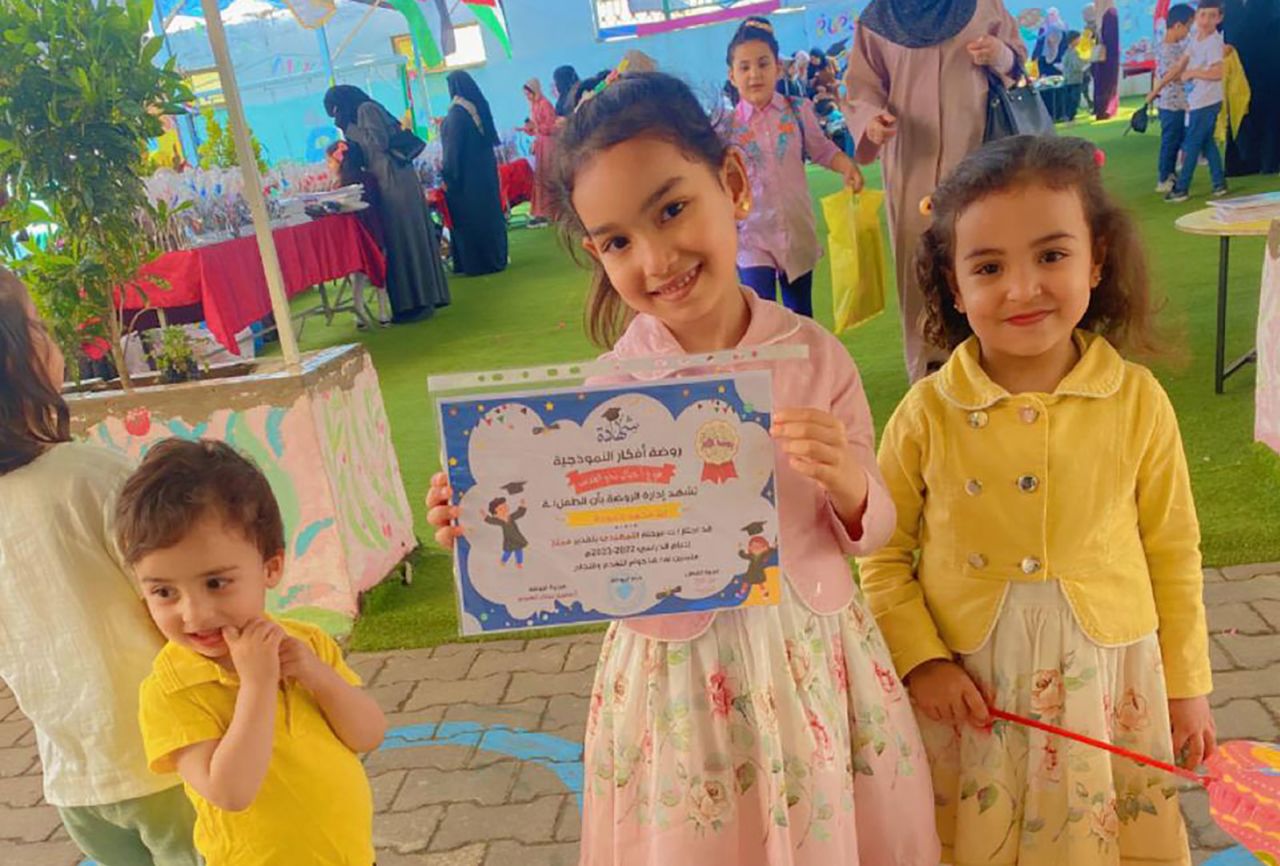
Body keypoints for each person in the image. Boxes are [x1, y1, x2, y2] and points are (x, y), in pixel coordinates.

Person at [427, 71, 938, 866]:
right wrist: (480, 517)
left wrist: (845, 481)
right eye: (619, 242)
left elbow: (875, 526)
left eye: (671, 209)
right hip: (679, 676)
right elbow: (563, 548)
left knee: (824, 825)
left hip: (807, 654)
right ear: (597, 253)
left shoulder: (812, 354)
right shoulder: (605, 394)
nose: (657, 257)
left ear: (732, 183)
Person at [861, 135, 1214, 866]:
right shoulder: (927, 413)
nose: (1022, 289)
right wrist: (922, 661)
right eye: (989, 267)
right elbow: (882, 553)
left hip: (1109, 686)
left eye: (1051, 255)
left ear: (1097, 258)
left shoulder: (1137, 401)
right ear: (954, 287)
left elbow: (1173, 552)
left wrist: (1188, 690)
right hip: (972, 693)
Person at [0, 268, 199, 866]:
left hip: (74, 779)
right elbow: (178, 605)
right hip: (170, 760)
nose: (49, 334)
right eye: (36, 324)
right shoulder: (92, 477)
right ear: (16, 362)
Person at [120, 438, 387, 866]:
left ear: (270, 568)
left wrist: (316, 674)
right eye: (164, 592)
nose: (195, 614)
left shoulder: (306, 642)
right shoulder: (171, 690)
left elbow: (368, 734)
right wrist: (258, 683)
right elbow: (230, 792)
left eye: (216, 582)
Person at [844, 0, 1025, 381]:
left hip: (977, 158)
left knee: (984, 257)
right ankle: (929, 374)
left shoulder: (982, 5)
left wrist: (1000, 55)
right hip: (911, 164)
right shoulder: (878, 20)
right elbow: (861, 89)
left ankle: (994, 357)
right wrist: (871, 121)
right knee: (918, 266)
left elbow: (1018, 62)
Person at [724, 17, 864, 318]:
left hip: (796, 233)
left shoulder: (798, 111)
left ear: (777, 66)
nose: (754, 75)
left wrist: (847, 167)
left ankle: (806, 366)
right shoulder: (725, 128)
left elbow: (823, 150)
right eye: (744, 67)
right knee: (760, 319)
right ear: (732, 76)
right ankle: (771, 367)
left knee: (801, 316)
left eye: (763, 64)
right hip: (751, 237)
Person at [324, 84, 450, 322]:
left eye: (336, 111)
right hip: (392, 179)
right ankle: (426, 296)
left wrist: (350, 129)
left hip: (393, 181)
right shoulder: (367, 109)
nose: (337, 118)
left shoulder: (365, 110)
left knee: (404, 240)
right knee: (409, 238)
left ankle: (416, 303)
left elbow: (378, 143)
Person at [441, 71, 509, 275]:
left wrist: (448, 177)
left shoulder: (456, 114)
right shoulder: (477, 108)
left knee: (470, 220)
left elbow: (453, 151)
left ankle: (476, 264)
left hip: (465, 180)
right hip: (485, 175)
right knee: (489, 217)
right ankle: (496, 258)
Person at [1167, 0, 1230, 201]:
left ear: (1219, 18)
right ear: (1197, 17)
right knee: (1206, 143)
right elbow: (1183, 60)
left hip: (1207, 101)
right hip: (1197, 99)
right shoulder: (1196, 38)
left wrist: (1191, 73)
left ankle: (1182, 187)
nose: (1206, 20)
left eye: (1212, 16)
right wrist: (1170, 76)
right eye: (1203, 15)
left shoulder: (1213, 42)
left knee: (1192, 144)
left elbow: (1218, 72)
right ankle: (1219, 183)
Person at [325, 140, 391, 328]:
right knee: (379, 271)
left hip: (354, 236)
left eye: (330, 161)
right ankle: (383, 311)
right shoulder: (369, 179)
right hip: (374, 231)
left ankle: (359, 310)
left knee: (358, 274)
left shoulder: (339, 186)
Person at [1222, 0, 1280, 176]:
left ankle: (1270, 161)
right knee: (1240, 111)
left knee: (1271, 110)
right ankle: (1243, 162)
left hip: (1270, 63)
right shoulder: (1232, 5)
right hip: (1239, 65)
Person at [1147, 4, 1196, 193]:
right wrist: (1189, 72)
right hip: (1170, 103)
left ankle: (1171, 174)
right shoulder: (1168, 49)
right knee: (1170, 141)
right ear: (1177, 26)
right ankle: (1164, 177)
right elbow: (1171, 74)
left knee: (1177, 139)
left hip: (1178, 102)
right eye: (1188, 26)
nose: (1188, 32)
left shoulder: (1173, 46)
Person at [522, 78, 558, 226]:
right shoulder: (535, 106)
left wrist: (537, 129)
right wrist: (530, 130)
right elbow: (537, 127)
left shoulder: (545, 104)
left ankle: (553, 211)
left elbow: (551, 126)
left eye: (529, 94)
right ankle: (542, 212)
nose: (527, 97)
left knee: (549, 176)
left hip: (549, 144)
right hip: (541, 143)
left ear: (535, 91)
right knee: (541, 178)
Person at [1093, 0, 1121, 119]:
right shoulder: (1109, 14)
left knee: (1103, 82)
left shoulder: (1104, 15)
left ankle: (1102, 109)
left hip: (1103, 56)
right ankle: (1105, 109)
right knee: (1107, 82)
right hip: (1108, 56)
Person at [1061, 30, 1089, 120]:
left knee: (1069, 98)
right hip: (1075, 79)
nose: (1080, 40)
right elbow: (1077, 66)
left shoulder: (1066, 52)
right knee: (1074, 99)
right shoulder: (1074, 52)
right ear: (1073, 40)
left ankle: (1068, 115)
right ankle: (1070, 116)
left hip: (1067, 79)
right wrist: (1087, 63)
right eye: (1078, 38)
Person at [1032, 7, 1068, 75]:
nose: (1050, 17)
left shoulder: (1063, 28)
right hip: (1043, 61)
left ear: (1057, 15)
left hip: (1058, 61)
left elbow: (1065, 46)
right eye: (1048, 15)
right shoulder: (1043, 29)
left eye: (1052, 14)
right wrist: (1034, 58)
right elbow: (1039, 44)